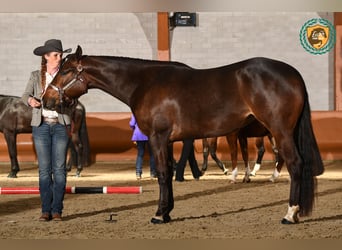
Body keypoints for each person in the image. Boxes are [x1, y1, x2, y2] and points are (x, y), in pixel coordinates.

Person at [21, 39, 72, 221]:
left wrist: (67, 100)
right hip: (41, 126)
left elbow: (74, 98)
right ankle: (45, 210)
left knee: (59, 170)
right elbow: (25, 95)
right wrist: (30, 101)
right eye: (56, 55)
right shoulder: (36, 76)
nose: (60, 58)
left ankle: (57, 210)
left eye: (61, 55)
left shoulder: (66, 75)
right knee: (44, 170)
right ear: (46, 56)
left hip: (60, 125)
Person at [129, 114, 157, 180]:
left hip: (139, 134)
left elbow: (132, 124)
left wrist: (135, 129)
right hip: (149, 135)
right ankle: (153, 173)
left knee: (140, 154)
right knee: (152, 154)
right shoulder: (151, 111)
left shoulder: (136, 112)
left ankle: (138, 173)